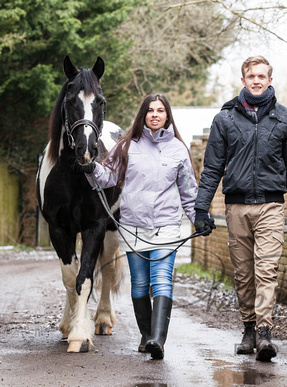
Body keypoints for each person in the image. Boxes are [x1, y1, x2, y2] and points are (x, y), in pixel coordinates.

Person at [83, 93, 214, 360]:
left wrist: (199, 216)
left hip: (165, 226)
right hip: (133, 227)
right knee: (140, 285)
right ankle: (146, 337)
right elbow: (108, 177)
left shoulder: (178, 149)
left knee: (162, 280)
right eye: (150, 110)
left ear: (167, 116)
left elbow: (189, 192)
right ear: (143, 115)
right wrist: (89, 167)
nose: (155, 114)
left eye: (160, 110)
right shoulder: (127, 146)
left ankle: (158, 340)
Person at [194, 56, 287, 361]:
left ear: (270, 81)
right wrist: (201, 209)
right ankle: (248, 330)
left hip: (271, 206)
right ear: (242, 80)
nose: (256, 81)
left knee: (266, 270)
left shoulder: (285, 119)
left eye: (262, 76)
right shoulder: (225, 120)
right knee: (244, 274)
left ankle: (266, 335)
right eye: (251, 76)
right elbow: (212, 168)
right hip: (236, 208)